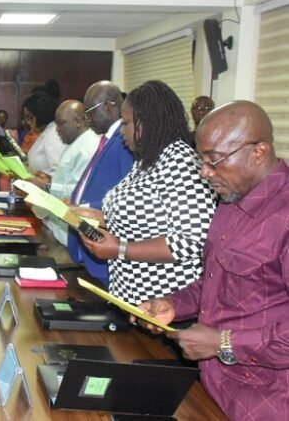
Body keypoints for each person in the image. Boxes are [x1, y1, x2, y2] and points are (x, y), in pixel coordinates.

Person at [136, 101, 289, 420]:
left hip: (268, 401)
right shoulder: (231, 199)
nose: (205, 173)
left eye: (214, 160)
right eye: (201, 161)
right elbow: (220, 282)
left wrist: (224, 343)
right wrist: (173, 305)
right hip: (217, 386)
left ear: (258, 152)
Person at [77, 81, 216, 304]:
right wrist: (97, 217)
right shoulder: (148, 161)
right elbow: (147, 219)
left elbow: (191, 241)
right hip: (131, 297)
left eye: (126, 123)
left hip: (162, 302)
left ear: (147, 123)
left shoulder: (181, 164)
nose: (121, 131)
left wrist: (121, 249)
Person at [66, 81, 134, 286]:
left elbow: (129, 196)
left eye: (90, 111)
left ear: (109, 107)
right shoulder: (108, 138)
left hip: (106, 254)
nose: (87, 119)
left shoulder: (125, 141)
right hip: (90, 249)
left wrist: (84, 208)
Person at [29, 100, 100, 245]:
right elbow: (69, 179)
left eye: (61, 123)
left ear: (78, 121)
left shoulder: (88, 147)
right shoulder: (77, 142)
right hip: (59, 226)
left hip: (70, 231)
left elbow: (78, 192)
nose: (57, 130)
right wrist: (50, 179)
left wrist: (47, 186)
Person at [23, 92, 65, 174]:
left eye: (29, 117)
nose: (28, 122)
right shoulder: (46, 132)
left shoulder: (53, 134)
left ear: (40, 115)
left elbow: (60, 172)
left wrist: (40, 179)